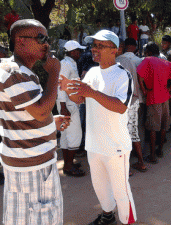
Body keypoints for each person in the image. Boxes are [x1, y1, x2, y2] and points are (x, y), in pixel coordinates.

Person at [59, 30, 136, 225]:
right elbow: (80, 98)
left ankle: (128, 221)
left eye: (100, 46)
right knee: (100, 187)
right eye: (94, 45)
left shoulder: (122, 75)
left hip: (115, 146)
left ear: (115, 50)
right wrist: (69, 88)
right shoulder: (93, 72)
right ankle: (108, 215)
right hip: (94, 144)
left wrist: (91, 92)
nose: (94, 49)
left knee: (121, 190)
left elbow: (120, 107)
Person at [0, 19, 67, 225]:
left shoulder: (22, 72)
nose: (46, 44)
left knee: (23, 217)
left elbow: (26, 114)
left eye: (47, 38)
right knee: (42, 217)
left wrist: (49, 122)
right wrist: (55, 71)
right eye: (40, 38)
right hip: (33, 167)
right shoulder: (15, 73)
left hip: (27, 163)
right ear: (20, 41)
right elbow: (39, 111)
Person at [137, 42, 171, 163]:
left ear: (148, 52)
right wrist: (170, 87)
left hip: (153, 97)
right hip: (165, 96)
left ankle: (152, 155)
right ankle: (160, 150)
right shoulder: (165, 62)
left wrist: (144, 89)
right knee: (163, 126)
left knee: (153, 127)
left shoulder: (147, 60)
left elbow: (139, 75)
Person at [116, 38, 146, 172]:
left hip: (123, 103)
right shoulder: (131, 61)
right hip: (132, 101)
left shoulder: (119, 61)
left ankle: (125, 167)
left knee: (123, 134)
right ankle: (140, 162)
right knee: (133, 132)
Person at [57, 40, 86, 177]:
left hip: (69, 103)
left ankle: (68, 163)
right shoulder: (65, 64)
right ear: (72, 51)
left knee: (66, 135)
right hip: (67, 104)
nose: (79, 53)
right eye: (78, 51)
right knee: (75, 135)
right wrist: (63, 106)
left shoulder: (70, 63)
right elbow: (60, 84)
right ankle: (69, 166)